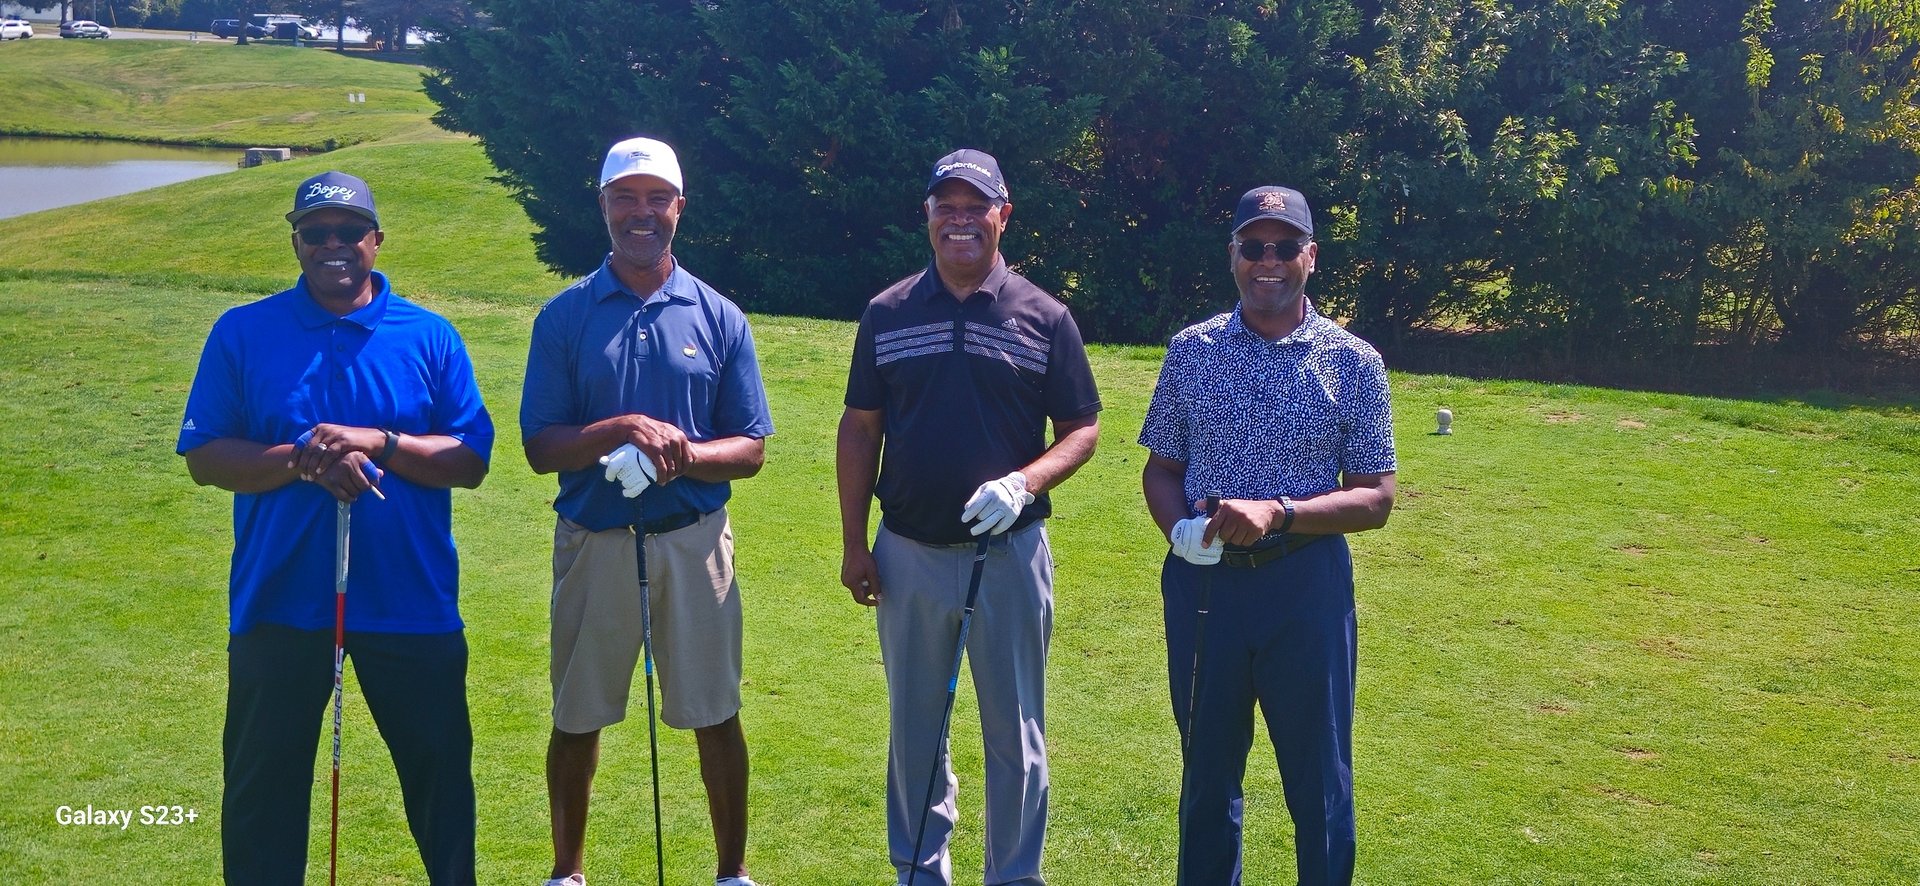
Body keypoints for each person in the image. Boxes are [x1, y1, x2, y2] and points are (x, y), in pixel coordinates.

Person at [178, 170, 494, 883]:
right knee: (262, 793)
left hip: (410, 601)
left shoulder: (429, 336)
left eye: (349, 232)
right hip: (279, 600)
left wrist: (378, 442)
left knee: (441, 783)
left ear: (376, 240)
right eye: (315, 233)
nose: (333, 245)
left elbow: (469, 459)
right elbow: (205, 456)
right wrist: (309, 460)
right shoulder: (242, 332)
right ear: (295, 242)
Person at [837, 148, 1103, 886]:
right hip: (909, 552)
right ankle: (919, 871)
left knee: (1015, 730)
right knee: (915, 729)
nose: (960, 221)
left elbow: (1082, 428)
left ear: (1002, 216)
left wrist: (1025, 481)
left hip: (1010, 556)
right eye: (945, 207)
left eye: (975, 207)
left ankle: (1013, 875)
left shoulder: (1044, 316)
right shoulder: (888, 312)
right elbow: (861, 428)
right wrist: (855, 543)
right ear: (927, 216)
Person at [521, 136, 774, 886]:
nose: (642, 213)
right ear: (603, 205)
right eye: (626, 198)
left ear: (678, 208)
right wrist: (622, 430)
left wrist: (680, 455)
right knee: (577, 716)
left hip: (694, 541)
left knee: (715, 712)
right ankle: (567, 873)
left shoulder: (718, 315)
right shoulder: (565, 316)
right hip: (594, 539)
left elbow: (750, 447)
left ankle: (732, 873)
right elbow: (541, 446)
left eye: (656, 198)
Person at [1138, 185, 1397, 885]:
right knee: (1207, 777)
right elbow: (1162, 469)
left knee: (1319, 783)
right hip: (1204, 586)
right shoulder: (1192, 351)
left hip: (1304, 587)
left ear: (1311, 256)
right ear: (1233, 255)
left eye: (1285, 247)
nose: (1269, 261)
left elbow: (1375, 498)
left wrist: (1279, 512)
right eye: (1254, 247)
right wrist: (1179, 530)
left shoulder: (1353, 360)